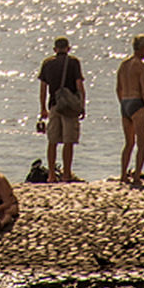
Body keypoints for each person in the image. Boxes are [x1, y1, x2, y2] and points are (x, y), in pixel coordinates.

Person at [37, 36, 86, 183]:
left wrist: (43, 108)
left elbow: (43, 88)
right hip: (69, 106)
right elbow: (79, 86)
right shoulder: (73, 62)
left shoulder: (47, 63)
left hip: (54, 104)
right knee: (68, 141)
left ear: (55, 49)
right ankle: (66, 174)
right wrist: (82, 105)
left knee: (52, 141)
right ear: (68, 48)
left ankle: (51, 175)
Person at [116, 34, 144, 186]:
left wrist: (123, 103)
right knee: (142, 143)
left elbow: (118, 88)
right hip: (137, 103)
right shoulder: (142, 67)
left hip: (125, 103)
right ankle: (137, 176)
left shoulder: (123, 65)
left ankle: (123, 175)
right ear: (142, 48)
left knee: (128, 143)